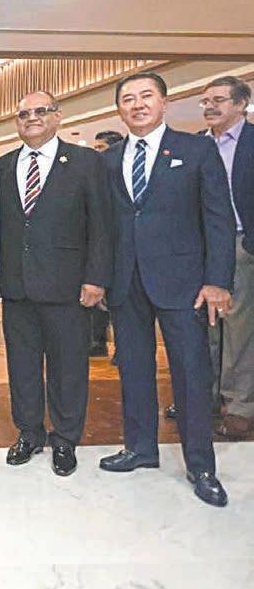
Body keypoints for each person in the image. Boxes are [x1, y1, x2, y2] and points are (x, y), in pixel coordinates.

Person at [98, 71, 233, 508]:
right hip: (126, 281)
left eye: (146, 96)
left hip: (184, 282)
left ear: (164, 102)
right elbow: (104, 225)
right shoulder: (108, 160)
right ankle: (140, 448)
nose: (137, 105)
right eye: (128, 99)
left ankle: (201, 466)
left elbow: (217, 218)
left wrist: (217, 280)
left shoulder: (196, 150)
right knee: (133, 368)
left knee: (191, 374)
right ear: (119, 109)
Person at [0, 91, 112, 476]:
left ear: (57, 117)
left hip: (69, 287)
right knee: (22, 366)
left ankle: (65, 439)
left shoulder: (86, 162)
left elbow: (101, 224)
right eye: (24, 113)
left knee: (68, 367)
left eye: (40, 111)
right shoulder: (2, 166)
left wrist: (96, 277)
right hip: (16, 287)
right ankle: (29, 432)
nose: (32, 118)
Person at [198, 76, 254, 439]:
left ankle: (239, 406)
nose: (209, 107)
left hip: (240, 243)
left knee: (238, 329)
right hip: (201, 247)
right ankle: (206, 396)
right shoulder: (196, 145)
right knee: (206, 326)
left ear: (241, 103)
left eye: (218, 100)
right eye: (205, 101)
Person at [88, 130, 126, 357]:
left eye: (100, 148)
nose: (97, 153)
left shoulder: (122, 175)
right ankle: (97, 341)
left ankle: (123, 348)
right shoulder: (95, 176)